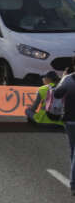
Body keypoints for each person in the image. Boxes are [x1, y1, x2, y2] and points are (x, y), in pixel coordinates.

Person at [51, 55, 75, 196]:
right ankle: (73, 183)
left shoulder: (68, 79)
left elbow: (57, 94)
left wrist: (62, 79)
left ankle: (73, 182)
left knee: (73, 150)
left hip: (69, 120)